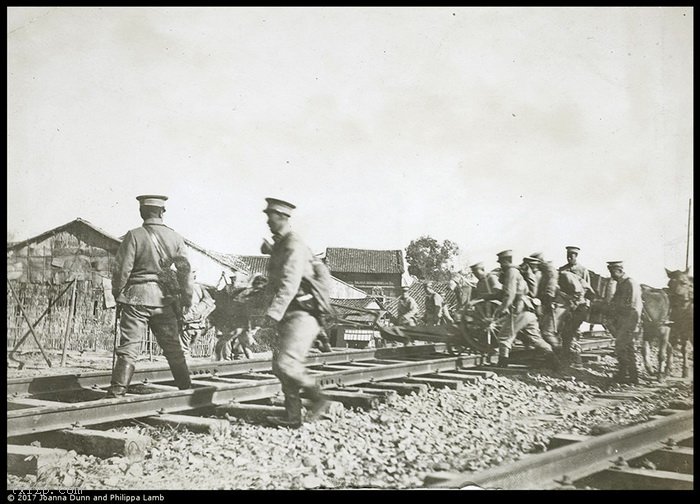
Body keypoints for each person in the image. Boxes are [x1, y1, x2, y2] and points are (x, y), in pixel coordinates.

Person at [107, 195, 193, 398]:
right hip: (165, 300)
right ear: (162, 212)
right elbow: (185, 272)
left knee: (129, 347)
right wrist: (187, 299)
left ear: (141, 212)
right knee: (173, 347)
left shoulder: (134, 236)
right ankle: (186, 389)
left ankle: (117, 391)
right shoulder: (176, 238)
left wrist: (118, 293)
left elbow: (121, 271)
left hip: (136, 298)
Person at [260, 197, 328, 428]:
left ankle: (318, 399)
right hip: (290, 312)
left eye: (270, 217)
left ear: (282, 217)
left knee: (287, 364)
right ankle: (292, 417)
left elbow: (289, 283)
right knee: (280, 368)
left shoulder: (293, 244)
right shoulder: (281, 244)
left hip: (302, 312)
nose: (267, 221)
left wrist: (272, 314)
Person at [492, 250, 560, 370]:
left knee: (504, 336)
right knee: (535, 339)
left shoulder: (511, 272)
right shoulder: (517, 272)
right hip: (530, 311)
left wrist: (501, 309)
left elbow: (509, 294)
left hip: (519, 310)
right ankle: (554, 360)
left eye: (501, 262)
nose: (500, 265)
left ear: (507, 261)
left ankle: (502, 365)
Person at [606, 261, 643, 384]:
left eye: (613, 272)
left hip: (629, 319)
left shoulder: (630, 283)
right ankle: (633, 377)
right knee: (628, 347)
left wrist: (616, 311)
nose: (612, 275)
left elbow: (631, 305)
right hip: (624, 319)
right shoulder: (621, 283)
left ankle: (624, 375)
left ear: (620, 271)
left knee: (621, 346)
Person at [180, 271, 215, 360]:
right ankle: (185, 355)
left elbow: (209, 303)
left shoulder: (197, 288)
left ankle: (186, 354)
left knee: (188, 342)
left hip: (193, 320)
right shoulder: (194, 288)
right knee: (187, 342)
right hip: (191, 320)